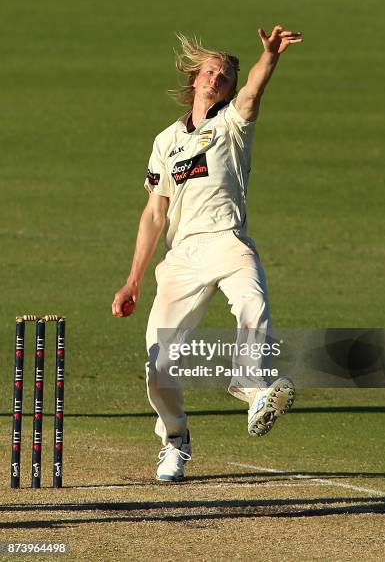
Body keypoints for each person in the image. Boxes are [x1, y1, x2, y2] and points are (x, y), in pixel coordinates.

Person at [112, 26, 303, 481]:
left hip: (228, 238)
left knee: (253, 304)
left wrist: (269, 59)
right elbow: (153, 215)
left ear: (229, 88)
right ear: (196, 79)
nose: (217, 76)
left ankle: (251, 384)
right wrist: (134, 279)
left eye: (226, 74)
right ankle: (175, 440)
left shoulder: (232, 123)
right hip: (182, 256)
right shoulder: (166, 141)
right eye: (211, 70)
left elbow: (254, 92)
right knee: (158, 363)